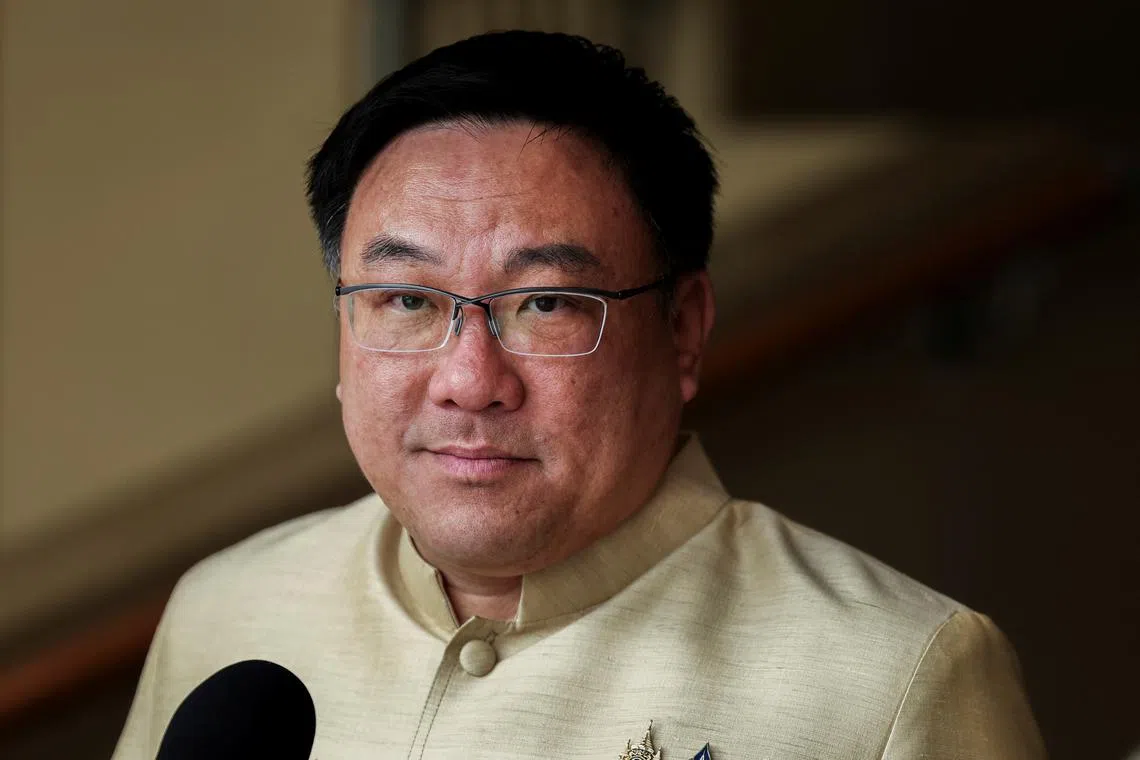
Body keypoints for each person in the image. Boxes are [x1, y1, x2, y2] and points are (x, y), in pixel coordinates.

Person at [111, 30, 1045, 759]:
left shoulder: (895, 675)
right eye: (406, 300)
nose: (469, 382)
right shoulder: (228, 610)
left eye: (548, 304)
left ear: (683, 329)